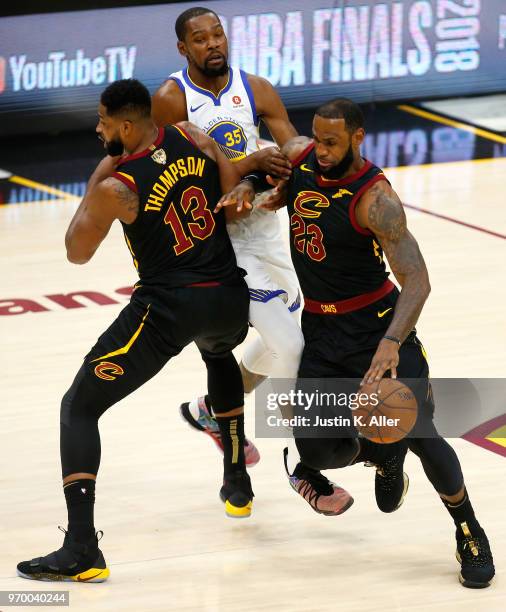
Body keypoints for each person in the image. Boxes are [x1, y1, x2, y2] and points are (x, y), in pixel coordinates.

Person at [17, 78, 256, 583]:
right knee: (218, 355)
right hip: (230, 297)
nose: (97, 128)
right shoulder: (191, 135)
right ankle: (237, 482)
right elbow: (235, 186)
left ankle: (82, 548)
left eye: (103, 122)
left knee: (78, 406)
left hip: (171, 305)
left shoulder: (117, 185)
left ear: (125, 126)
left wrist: (99, 180)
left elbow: (76, 253)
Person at [260, 98, 495, 588]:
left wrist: (392, 342)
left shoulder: (376, 198)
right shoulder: (303, 158)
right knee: (317, 452)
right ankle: (382, 453)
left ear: (358, 138)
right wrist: (256, 186)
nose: (321, 150)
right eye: (317, 139)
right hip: (322, 333)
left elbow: (417, 279)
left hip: (376, 327)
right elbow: (274, 164)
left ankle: (468, 527)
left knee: (420, 428)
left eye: (332, 142)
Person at [151, 6, 353, 516]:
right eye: (200, 39)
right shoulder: (171, 99)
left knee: (283, 336)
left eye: (217, 34)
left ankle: (212, 410)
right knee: (293, 346)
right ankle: (302, 465)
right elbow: (171, 176)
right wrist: (249, 166)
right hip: (222, 246)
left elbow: (292, 146)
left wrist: (307, 162)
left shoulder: (256, 87)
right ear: (183, 49)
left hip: (270, 232)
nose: (212, 44)